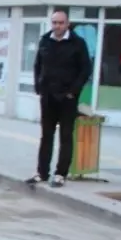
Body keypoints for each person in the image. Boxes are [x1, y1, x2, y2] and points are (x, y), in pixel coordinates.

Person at [28, 10, 92, 188]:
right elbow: (38, 65)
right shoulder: (45, 40)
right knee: (46, 136)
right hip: (48, 96)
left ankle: (60, 174)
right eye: (54, 23)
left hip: (67, 98)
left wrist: (73, 91)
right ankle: (42, 172)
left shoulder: (78, 43)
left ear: (68, 23)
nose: (57, 26)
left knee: (65, 136)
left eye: (61, 23)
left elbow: (85, 69)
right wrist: (38, 86)